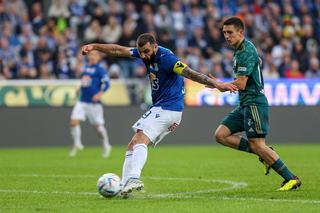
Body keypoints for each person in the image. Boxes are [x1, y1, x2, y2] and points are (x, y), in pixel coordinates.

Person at [81, 33, 237, 197]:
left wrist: (216, 84)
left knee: (141, 138)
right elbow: (118, 50)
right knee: (133, 144)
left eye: (147, 51)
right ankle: (124, 188)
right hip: (161, 108)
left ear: (155, 46)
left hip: (169, 108)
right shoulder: (144, 53)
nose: (144, 55)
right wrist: (94, 46)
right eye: (141, 52)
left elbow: (190, 73)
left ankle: (134, 178)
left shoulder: (167, 58)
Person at [210, 17, 301, 191]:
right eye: (224, 33)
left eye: (230, 32)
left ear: (240, 32)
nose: (227, 36)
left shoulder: (245, 51)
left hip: (254, 103)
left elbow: (242, 83)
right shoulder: (241, 50)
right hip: (245, 104)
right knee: (221, 135)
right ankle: (265, 154)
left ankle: (291, 178)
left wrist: (221, 85)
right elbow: (256, 64)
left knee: (258, 144)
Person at [69, 50, 112, 158]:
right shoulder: (86, 67)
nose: (92, 56)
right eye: (90, 55)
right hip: (82, 101)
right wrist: (79, 88)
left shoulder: (100, 69)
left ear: (98, 57)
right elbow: (85, 81)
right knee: (73, 122)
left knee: (98, 128)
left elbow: (107, 84)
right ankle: (77, 143)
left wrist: (99, 94)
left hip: (94, 103)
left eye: (94, 55)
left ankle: (106, 144)